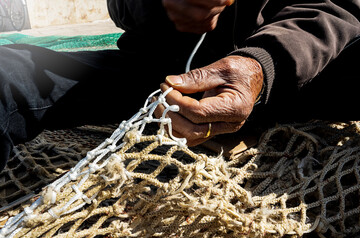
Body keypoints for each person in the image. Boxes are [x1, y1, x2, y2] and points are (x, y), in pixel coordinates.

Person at [0, 0, 359, 171]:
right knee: (8, 72)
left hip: (302, 71)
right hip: (159, 74)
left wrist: (262, 63)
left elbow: (341, 7)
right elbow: (120, 5)